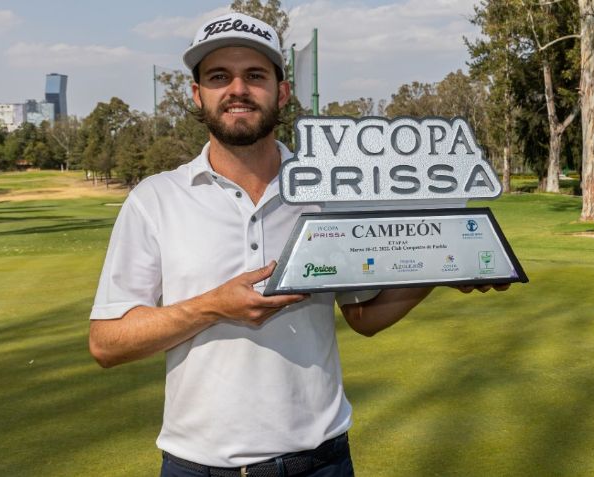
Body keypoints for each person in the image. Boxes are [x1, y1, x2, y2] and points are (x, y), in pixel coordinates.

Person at [89, 11, 507, 477]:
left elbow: (363, 316)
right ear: (197, 94)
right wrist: (213, 307)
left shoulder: (329, 190)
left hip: (320, 463)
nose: (237, 90)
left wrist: (441, 265)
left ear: (281, 91)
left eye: (255, 75)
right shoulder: (156, 199)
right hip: (197, 467)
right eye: (219, 76)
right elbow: (107, 342)